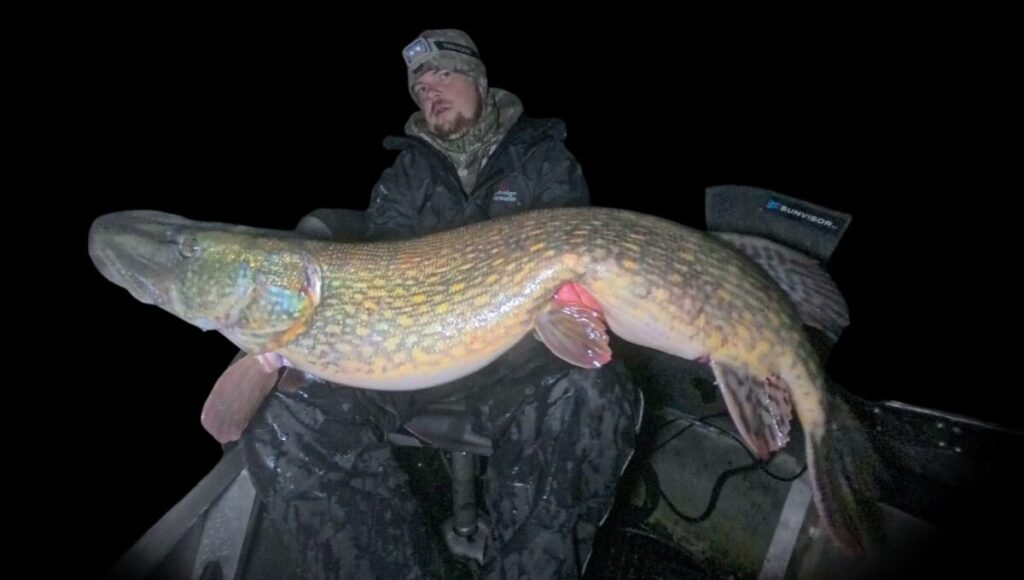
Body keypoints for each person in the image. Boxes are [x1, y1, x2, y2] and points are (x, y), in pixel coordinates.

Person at [239, 29, 641, 579]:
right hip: (418, 356)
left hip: (522, 354)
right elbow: (383, 266)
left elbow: (568, 261)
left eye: (444, 76)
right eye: (420, 87)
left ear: (479, 81)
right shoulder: (404, 176)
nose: (431, 92)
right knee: (285, 411)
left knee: (593, 393)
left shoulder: (544, 160)